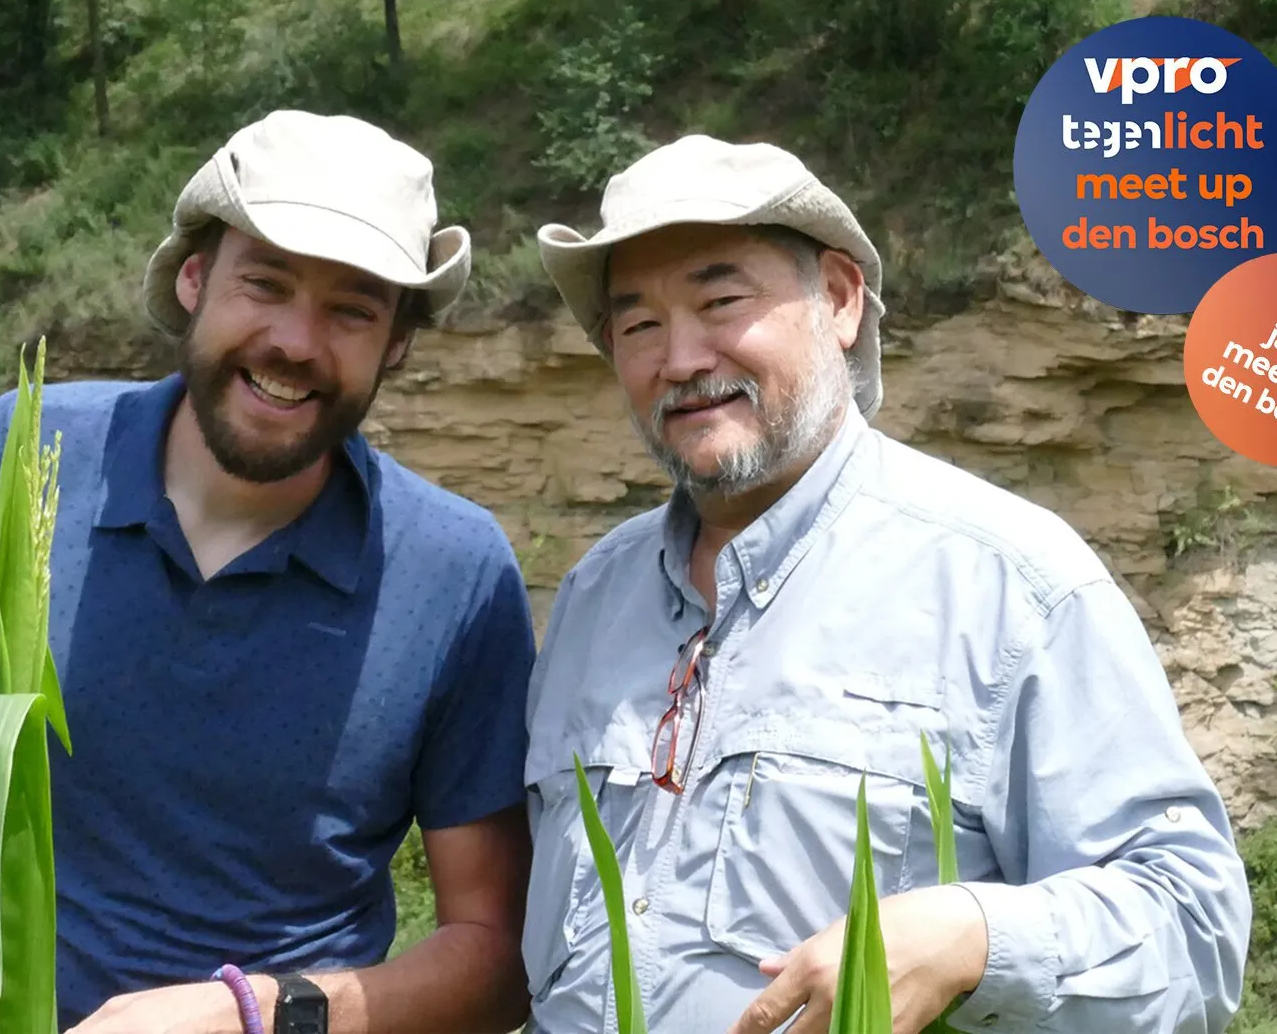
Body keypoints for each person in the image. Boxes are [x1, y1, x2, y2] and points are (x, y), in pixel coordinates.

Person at [519, 135, 1253, 1034]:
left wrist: (973, 938)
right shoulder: (595, 596)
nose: (678, 359)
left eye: (720, 301)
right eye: (637, 326)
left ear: (836, 298)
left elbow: (1196, 930)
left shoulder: (1010, 584)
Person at [0, 109, 538, 1034]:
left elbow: (494, 956)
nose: (294, 340)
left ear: (398, 341)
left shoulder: (455, 570)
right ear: (196, 277)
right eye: (266, 284)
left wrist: (246, 1016)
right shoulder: (27, 450)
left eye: (352, 310)